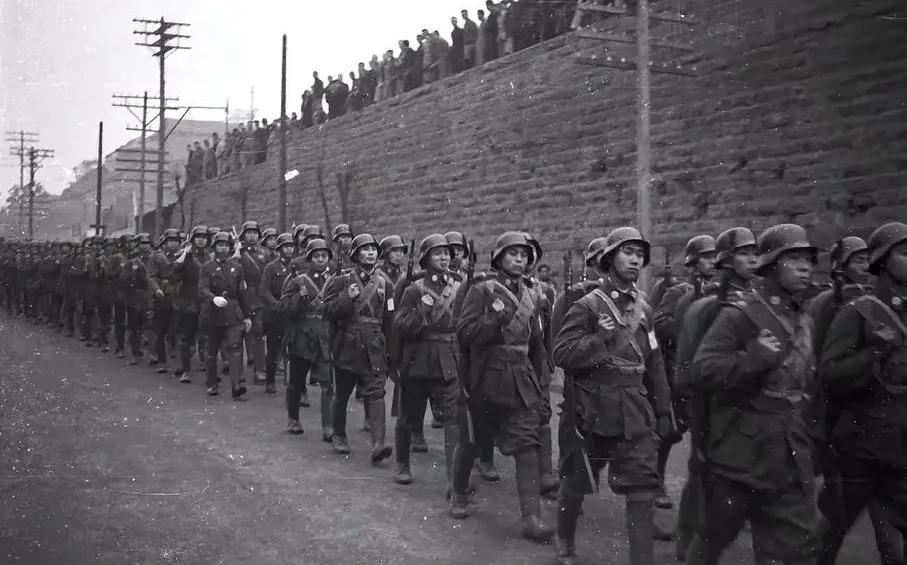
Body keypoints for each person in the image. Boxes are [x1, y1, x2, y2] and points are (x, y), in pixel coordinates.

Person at [690, 223, 821, 565]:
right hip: (741, 456)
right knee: (714, 538)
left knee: (798, 549)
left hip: (790, 454)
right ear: (772, 265)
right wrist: (752, 360)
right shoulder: (741, 314)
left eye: (808, 259)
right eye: (794, 259)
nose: (805, 267)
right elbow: (702, 370)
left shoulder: (802, 316)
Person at [553, 227, 673, 565]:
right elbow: (561, 353)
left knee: (642, 489)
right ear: (609, 259)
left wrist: (663, 410)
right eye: (627, 252)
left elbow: (655, 363)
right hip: (592, 409)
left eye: (639, 254)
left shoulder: (644, 309)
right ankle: (564, 540)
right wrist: (599, 340)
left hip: (634, 409)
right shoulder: (589, 304)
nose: (635, 259)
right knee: (576, 481)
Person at [450, 231, 553, 543]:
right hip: (486, 377)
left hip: (521, 379)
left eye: (523, 255)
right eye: (512, 254)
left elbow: (536, 343)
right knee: (472, 442)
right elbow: (464, 333)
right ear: (498, 258)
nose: (519, 259)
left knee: (527, 444)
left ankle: (531, 517)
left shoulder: (532, 294)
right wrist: (493, 321)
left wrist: (541, 380)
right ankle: (458, 492)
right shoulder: (481, 290)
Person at [817, 222, 907, 565]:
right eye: (904, 253)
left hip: (900, 446)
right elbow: (830, 373)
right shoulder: (859, 311)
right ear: (882, 261)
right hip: (860, 448)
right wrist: (874, 353)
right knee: (831, 532)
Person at [392, 234, 461, 487]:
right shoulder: (414, 289)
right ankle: (402, 465)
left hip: (448, 359)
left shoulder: (458, 287)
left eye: (446, 253)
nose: (444, 258)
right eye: (437, 253)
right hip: (417, 359)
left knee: (453, 417)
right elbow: (400, 326)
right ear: (426, 259)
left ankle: (455, 475)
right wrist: (420, 312)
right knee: (408, 415)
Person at [323, 233, 394, 464]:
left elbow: (389, 321)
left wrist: (391, 351)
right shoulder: (341, 281)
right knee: (342, 393)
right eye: (365, 249)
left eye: (373, 249)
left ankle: (378, 443)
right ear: (356, 254)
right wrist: (347, 297)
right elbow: (328, 312)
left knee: (377, 393)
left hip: (375, 346)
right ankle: (339, 435)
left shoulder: (386, 284)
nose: (370, 253)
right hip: (348, 344)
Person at [280, 237, 336, 440]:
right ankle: (293, 419)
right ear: (310, 259)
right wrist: (299, 299)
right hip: (302, 338)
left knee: (327, 384)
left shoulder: (335, 281)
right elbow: (283, 308)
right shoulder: (298, 281)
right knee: (296, 381)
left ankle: (328, 427)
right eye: (316, 256)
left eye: (324, 256)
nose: (320, 259)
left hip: (325, 338)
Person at [199, 231, 252, 398]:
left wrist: (247, 316)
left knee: (235, 349)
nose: (223, 248)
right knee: (212, 351)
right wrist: (212, 298)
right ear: (214, 247)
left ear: (230, 248)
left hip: (232, 313)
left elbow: (242, 293)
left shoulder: (237, 267)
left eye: (226, 245)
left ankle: (236, 385)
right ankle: (212, 383)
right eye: (220, 245)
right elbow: (202, 288)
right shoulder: (207, 267)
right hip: (213, 312)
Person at [170, 225, 209, 383]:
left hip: (205, 301)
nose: (201, 240)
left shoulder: (211, 257)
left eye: (204, 237)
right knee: (185, 336)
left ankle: (207, 366)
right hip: (189, 301)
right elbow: (173, 277)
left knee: (205, 335)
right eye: (198, 237)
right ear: (192, 240)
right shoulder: (186, 256)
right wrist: (182, 257)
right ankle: (185, 369)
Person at [259, 232, 295, 395]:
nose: (289, 250)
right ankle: (270, 382)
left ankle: (295, 385)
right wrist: (277, 304)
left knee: (294, 351)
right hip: (274, 314)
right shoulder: (271, 267)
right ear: (279, 249)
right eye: (285, 247)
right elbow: (264, 291)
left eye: (291, 246)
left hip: (292, 313)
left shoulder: (297, 266)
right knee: (273, 350)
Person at [237, 221, 268, 385]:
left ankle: (259, 370)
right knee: (238, 334)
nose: (252, 236)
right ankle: (237, 371)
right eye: (249, 232)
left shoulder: (264, 252)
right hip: (243, 295)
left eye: (255, 233)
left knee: (258, 333)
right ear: (243, 235)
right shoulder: (238, 252)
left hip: (260, 296)